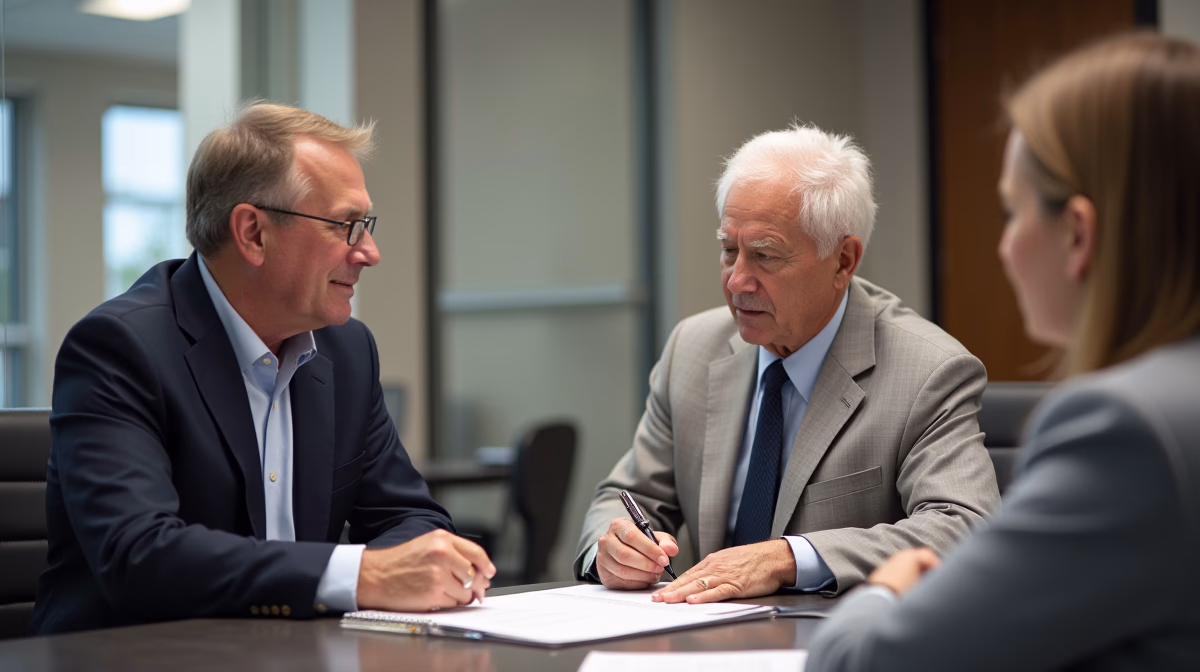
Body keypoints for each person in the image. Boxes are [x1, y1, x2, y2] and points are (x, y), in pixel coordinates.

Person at [806, 32, 1200, 671]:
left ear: (1077, 233)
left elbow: (860, 664)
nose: (1003, 248)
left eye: (1010, 213)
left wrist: (887, 588)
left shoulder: (1128, 433)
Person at [30, 103, 495, 635]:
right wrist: (359, 573)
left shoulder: (347, 352)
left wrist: (411, 569)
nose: (369, 252)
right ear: (252, 233)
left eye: (365, 225)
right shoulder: (120, 347)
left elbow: (411, 520)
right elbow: (139, 556)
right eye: (346, 226)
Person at [574, 123, 1000, 603]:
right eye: (728, 250)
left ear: (843, 261)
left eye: (765, 256)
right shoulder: (692, 350)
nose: (736, 281)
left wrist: (787, 557)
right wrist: (610, 551)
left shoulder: (928, 371)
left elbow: (964, 526)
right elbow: (626, 496)